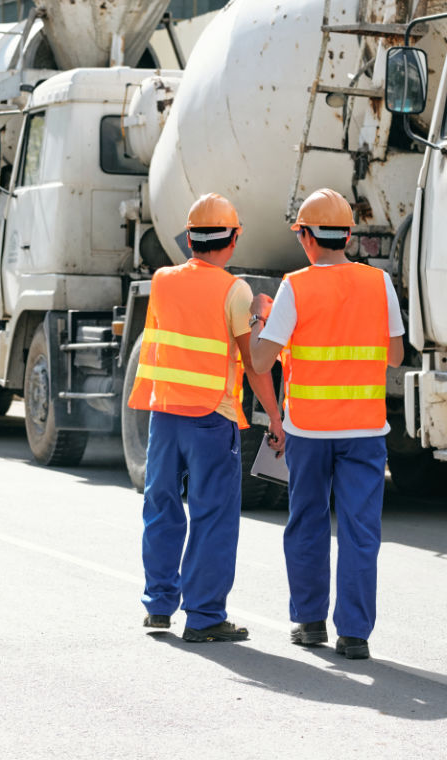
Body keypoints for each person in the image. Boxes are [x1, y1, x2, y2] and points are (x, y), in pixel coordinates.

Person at [249, 188, 404, 660]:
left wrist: (260, 320)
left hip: (309, 431)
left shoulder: (295, 286)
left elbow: (259, 360)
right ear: (348, 235)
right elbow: (396, 356)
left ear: (306, 237)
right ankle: (354, 635)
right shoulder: (379, 284)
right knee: (361, 530)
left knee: (308, 522)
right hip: (364, 429)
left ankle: (310, 623)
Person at [129, 192, 284, 641]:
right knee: (212, 516)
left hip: (164, 414)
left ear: (189, 237)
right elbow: (256, 364)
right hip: (211, 419)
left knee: (161, 506)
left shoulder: (162, 280)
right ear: (233, 239)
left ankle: (158, 607)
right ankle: (204, 618)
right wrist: (273, 417)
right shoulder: (235, 291)